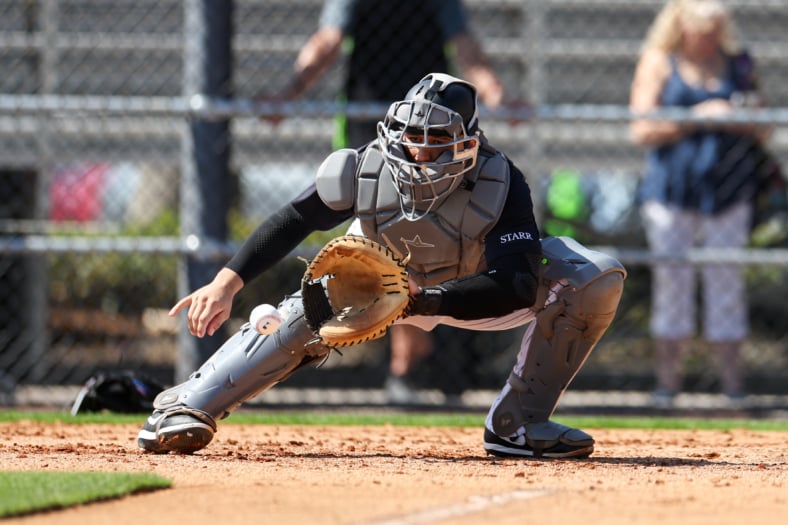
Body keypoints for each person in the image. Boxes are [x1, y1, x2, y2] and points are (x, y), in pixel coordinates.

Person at [137, 73, 626, 458]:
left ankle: (518, 425)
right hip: (375, 279)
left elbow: (516, 285)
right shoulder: (364, 168)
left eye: (435, 140)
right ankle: (186, 407)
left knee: (593, 275)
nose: (419, 151)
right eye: (412, 136)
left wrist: (421, 301)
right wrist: (226, 283)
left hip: (471, 285)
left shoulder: (499, 181)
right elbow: (293, 220)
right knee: (306, 309)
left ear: (468, 143)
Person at [271, 0, 507, 402]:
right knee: (391, 245)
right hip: (373, 127)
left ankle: (416, 365)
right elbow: (328, 40)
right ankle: (406, 366)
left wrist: (497, 94)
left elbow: (464, 45)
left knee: (432, 241)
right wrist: (289, 91)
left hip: (436, 136)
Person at [629, 0, 767, 406]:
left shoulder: (738, 64)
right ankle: (667, 387)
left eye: (715, 31)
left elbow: (765, 126)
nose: (709, 40)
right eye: (701, 31)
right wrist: (698, 116)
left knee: (726, 284)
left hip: (728, 189)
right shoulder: (660, 60)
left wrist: (741, 115)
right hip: (673, 190)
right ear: (681, 27)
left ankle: (733, 389)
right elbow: (641, 129)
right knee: (673, 284)